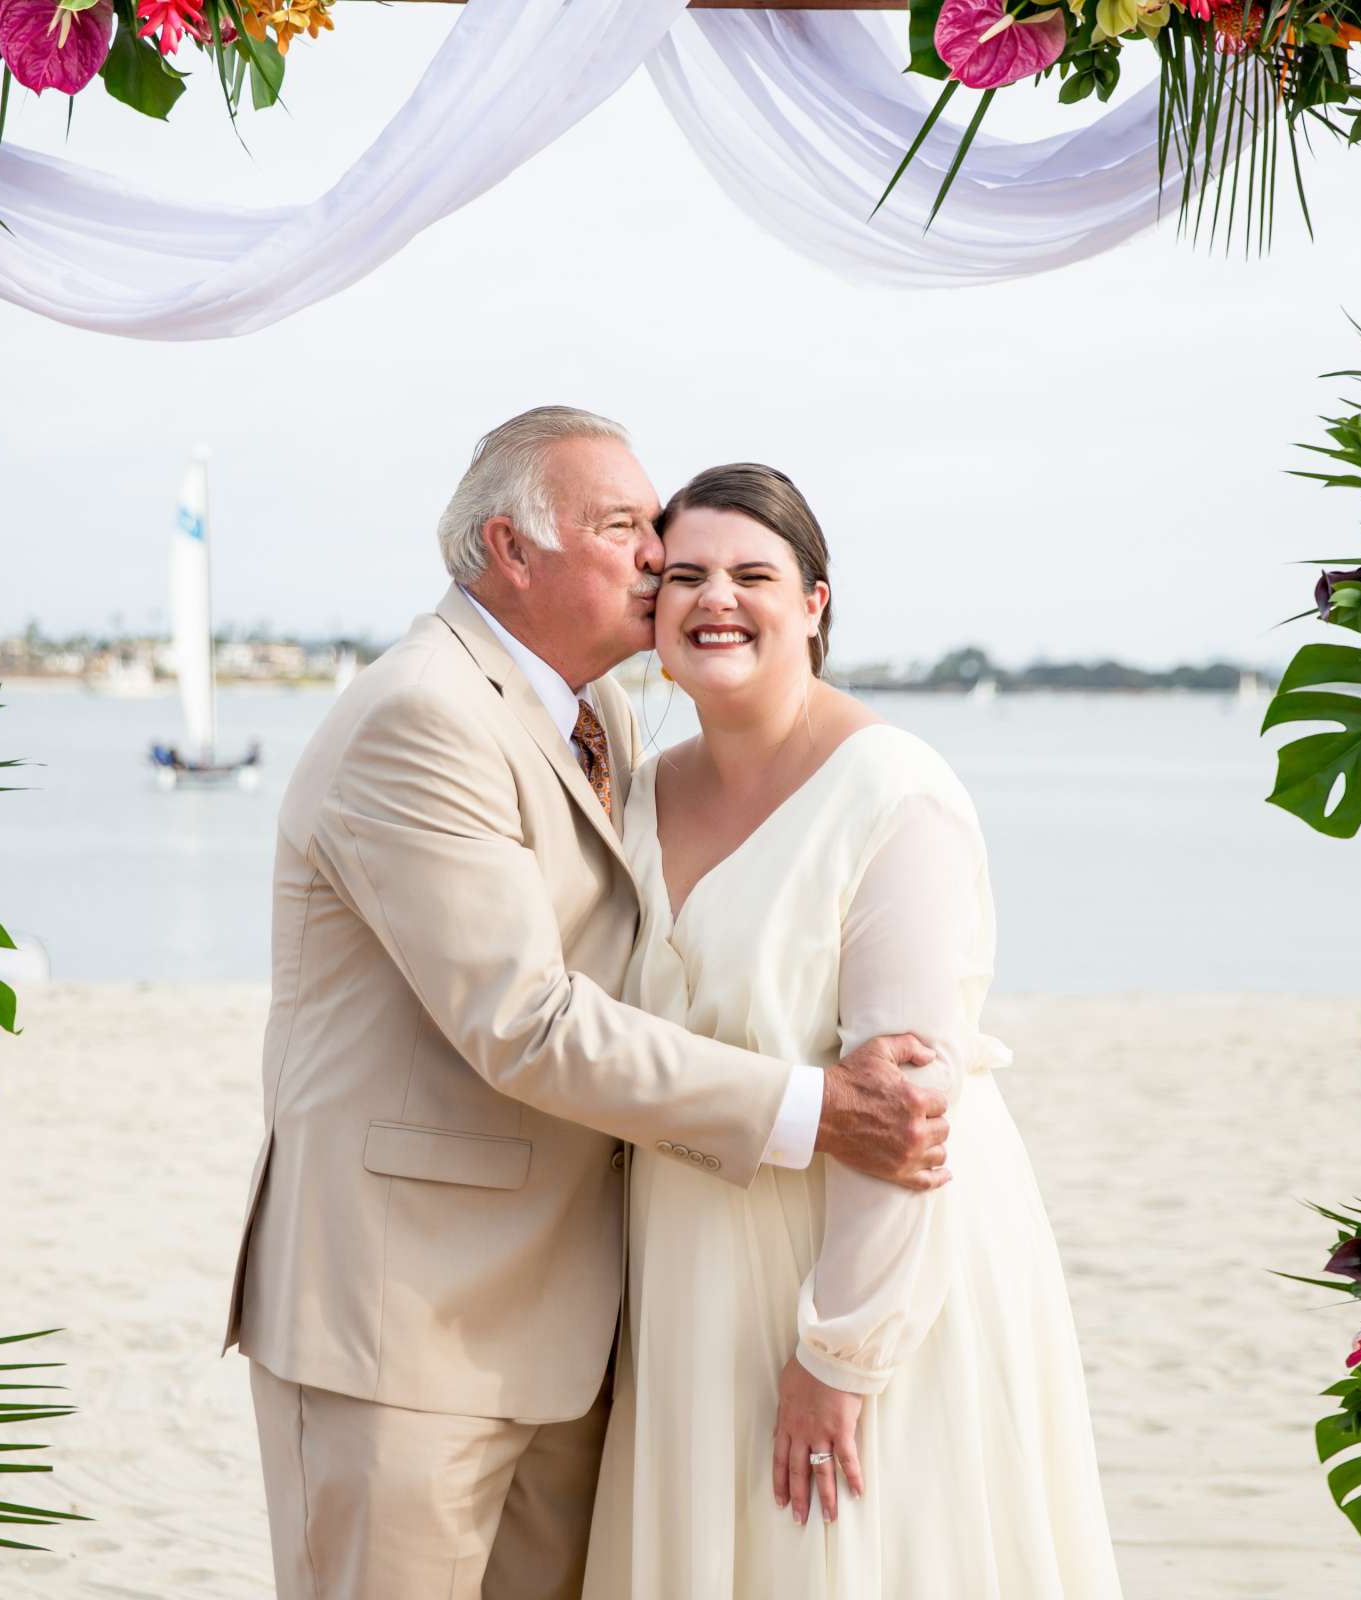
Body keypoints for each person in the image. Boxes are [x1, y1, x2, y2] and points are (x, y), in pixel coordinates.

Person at [223, 408, 950, 1600]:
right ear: (512, 550)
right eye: (626, 528)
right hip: (402, 1326)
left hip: (570, 1330)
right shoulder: (422, 717)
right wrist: (814, 1110)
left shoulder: (601, 713)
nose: (659, 555)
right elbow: (528, 1020)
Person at [583, 464, 1125, 1597]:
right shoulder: (637, 788)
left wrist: (838, 1356)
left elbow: (909, 1112)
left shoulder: (894, 794)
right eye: (683, 575)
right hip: (685, 1272)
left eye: (751, 574)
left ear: (817, 602)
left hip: (850, 1281)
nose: (713, 599)